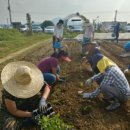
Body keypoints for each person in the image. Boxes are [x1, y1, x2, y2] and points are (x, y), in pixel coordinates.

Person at [0, 61, 51, 130]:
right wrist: (31, 114)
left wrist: (43, 100)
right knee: (9, 127)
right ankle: (24, 123)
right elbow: (13, 111)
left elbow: (46, 87)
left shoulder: (34, 79)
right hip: (13, 111)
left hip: (28, 103)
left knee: (48, 111)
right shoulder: (9, 90)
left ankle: (30, 120)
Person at [82, 42, 130, 111]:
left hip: (124, 96)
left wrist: (90, 95)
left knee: (104, 87)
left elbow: (102, 86)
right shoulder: (110, 67)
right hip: (123, 92)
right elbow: (102, 73)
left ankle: (115, 103)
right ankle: (112, 97)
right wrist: (91, 79)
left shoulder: (110, 72)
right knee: (105, 85)